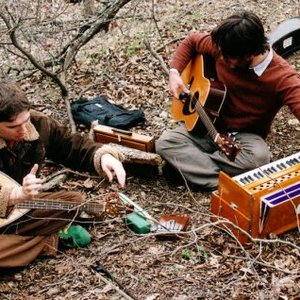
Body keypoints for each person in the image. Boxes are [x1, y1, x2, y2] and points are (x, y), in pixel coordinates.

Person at [156, 10, 300, 191]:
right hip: (206, 125)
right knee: (166, 142)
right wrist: (174, 73)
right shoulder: (224, 46)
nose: (220, 57)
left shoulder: (282, 77)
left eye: (226, 56)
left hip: (244, 138)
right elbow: (192, 41)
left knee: (258, 159)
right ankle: (224, 184)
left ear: (249, 54)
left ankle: (191, 167)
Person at [0, 80, 126, 268]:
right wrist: (11, 196)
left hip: (19, 211)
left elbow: (70, 145)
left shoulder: (39, 124)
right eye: (13, 127)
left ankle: (23, 244)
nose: (24, 130)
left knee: (73, 201)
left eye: (25, 121)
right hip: (11, 203)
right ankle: (46, 241)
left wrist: (103, 157)